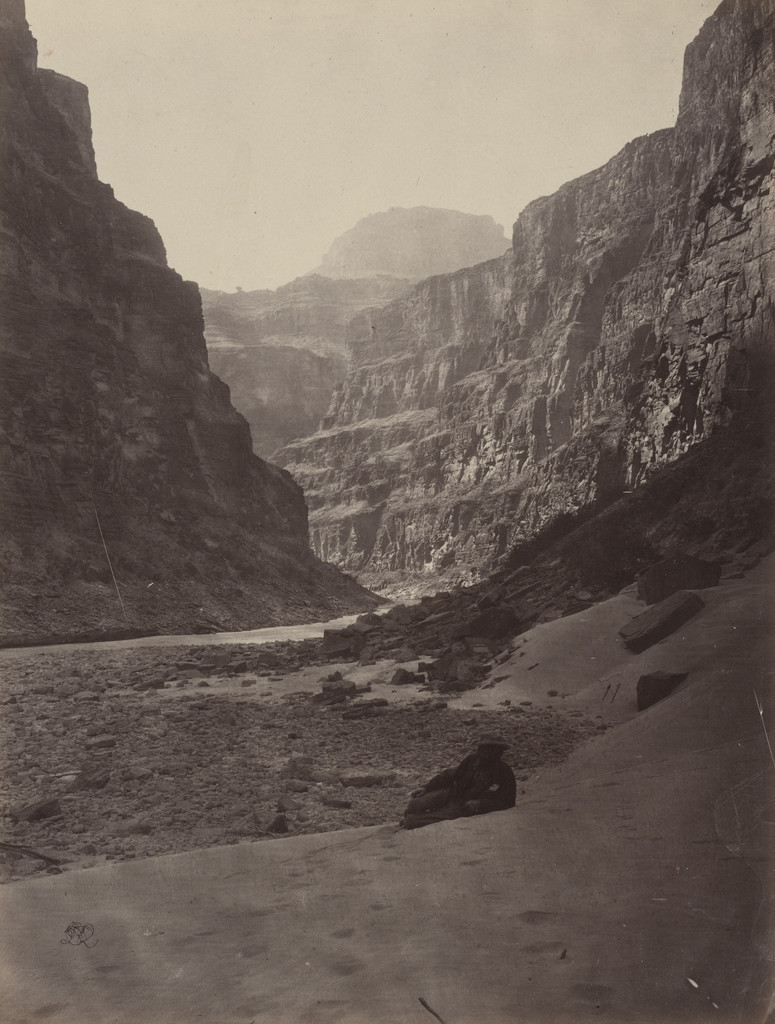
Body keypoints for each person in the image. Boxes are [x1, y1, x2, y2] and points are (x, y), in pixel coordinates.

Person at [400, 733, 516, 829]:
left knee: (413, 821)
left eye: (493, 750)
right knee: (414, 804)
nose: (487, 752)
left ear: (500, 752)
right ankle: (411, 818)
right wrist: (426, 788)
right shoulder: (472, 760)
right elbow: (449, 775)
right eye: (484, 748)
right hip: (452, 793)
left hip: (465, 806)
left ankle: (411, 821)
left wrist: (481, 804)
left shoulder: (504, 772)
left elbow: (508, 801)